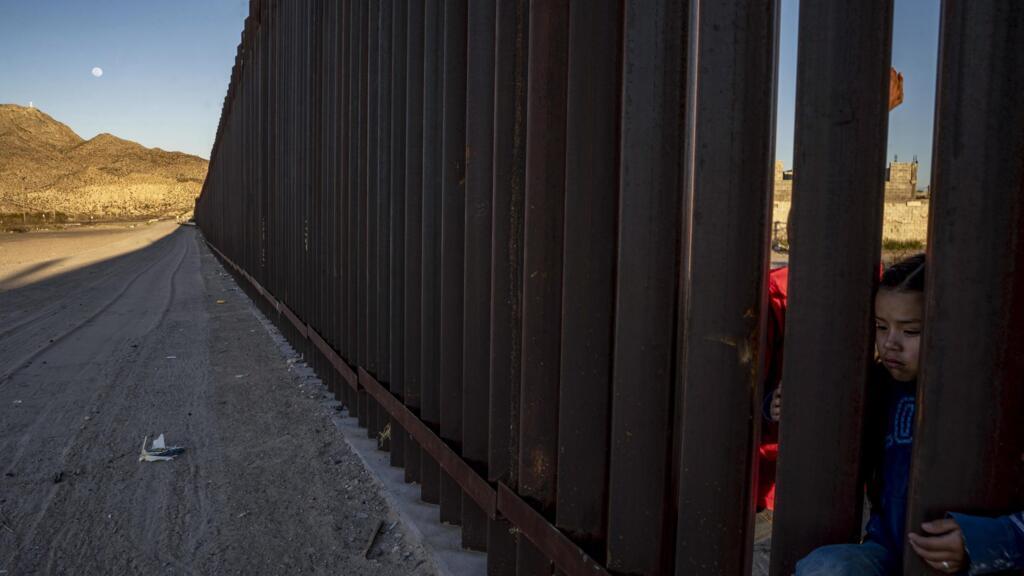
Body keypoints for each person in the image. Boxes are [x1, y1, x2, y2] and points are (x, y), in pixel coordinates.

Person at [793, 254, 1024, 575]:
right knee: (826, 567)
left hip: (979, 562)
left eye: (911, 331)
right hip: (888, 551)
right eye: (881, 326)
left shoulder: (998, 399)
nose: (890, 343)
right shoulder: (878, 386)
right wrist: (784, 406)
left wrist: (982, 540)